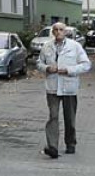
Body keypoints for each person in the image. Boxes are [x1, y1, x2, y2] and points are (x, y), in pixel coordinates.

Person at [36, 21, 91, 158]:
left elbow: (86, 64)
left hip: (69, 87)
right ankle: (52, 146)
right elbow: (39, 63)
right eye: (56, 30)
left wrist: (69, 70)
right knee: (53, 116)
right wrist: (47, 68)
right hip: (52, 87)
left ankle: (70, 143)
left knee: (69, 118)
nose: (58, 32)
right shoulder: (47, 47)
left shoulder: (75, 46)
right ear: (53, 32)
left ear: (65, 32)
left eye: (61, 29)